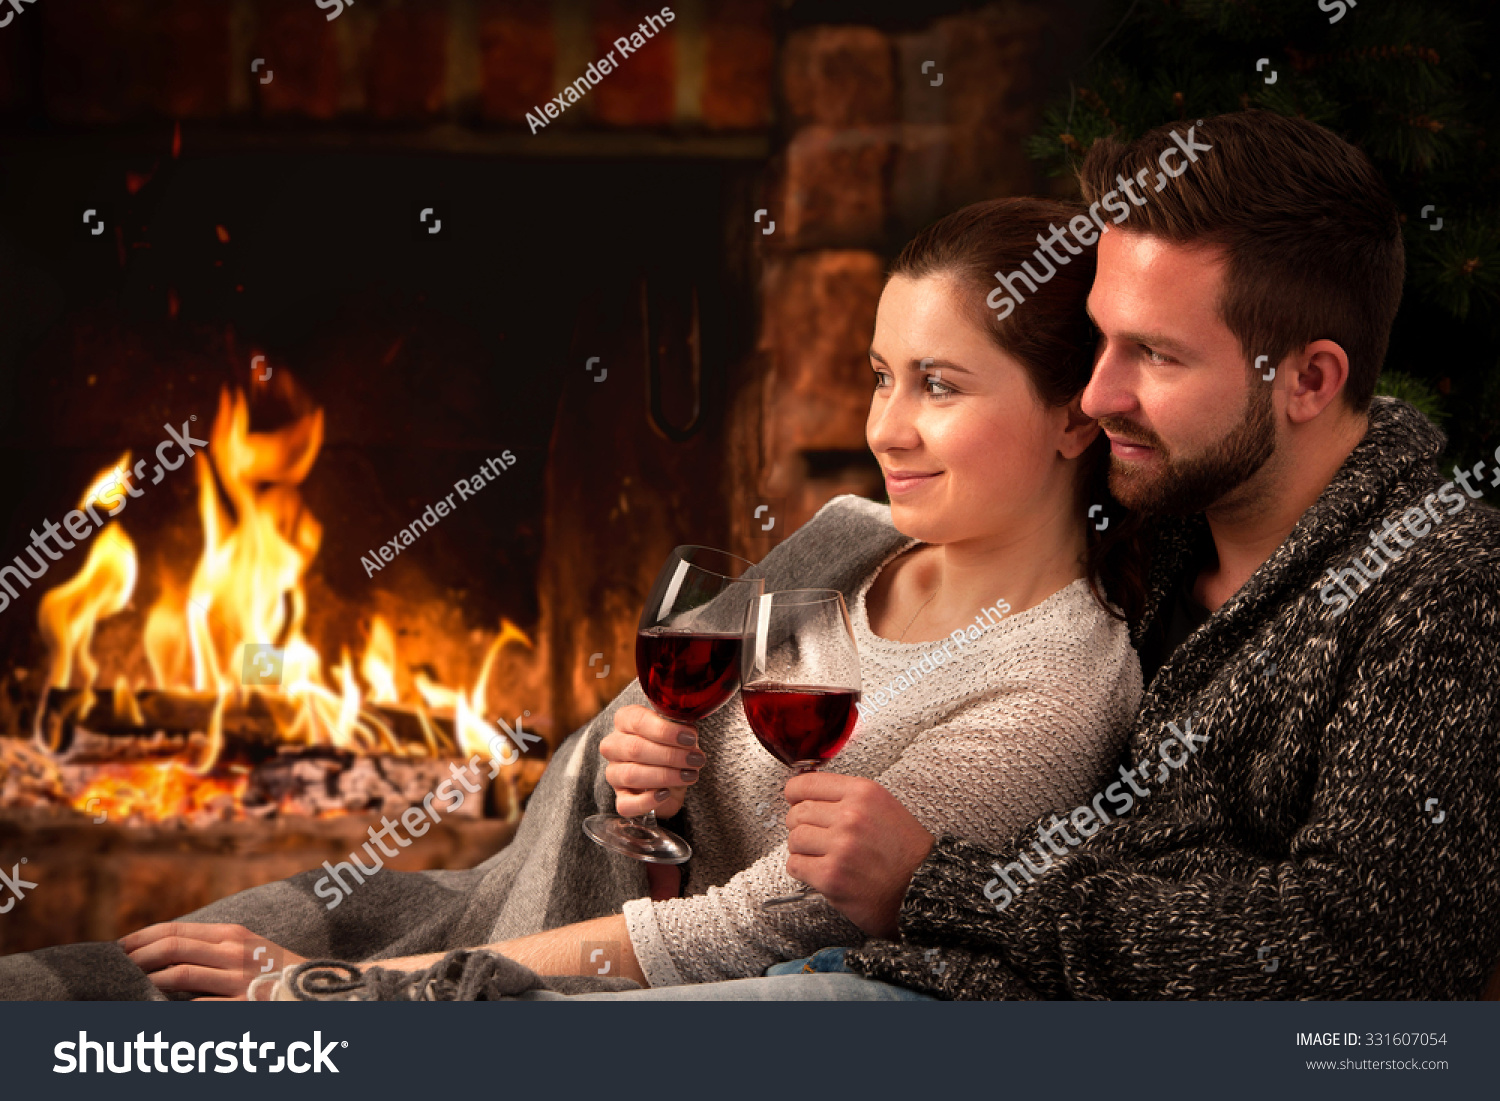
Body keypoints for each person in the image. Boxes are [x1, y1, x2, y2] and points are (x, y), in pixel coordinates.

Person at [465, 107, 1500, 1002]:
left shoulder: (1443, 591)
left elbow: (1357, 962)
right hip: (891, 985)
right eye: (1100, 341)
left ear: (1311, 380)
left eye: (1158, 355)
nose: (1097, 398)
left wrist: (938, 887)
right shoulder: (1164, 527)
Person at [2, 198, 1146, 1000]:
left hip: (565, 988)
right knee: (85, 994)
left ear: (1074, 416)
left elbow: (760, 934)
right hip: (514, 905)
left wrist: (347, 989)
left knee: (193, 1015)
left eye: (940, 387)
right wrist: (658, 790)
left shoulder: (1047, 689)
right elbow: (650, 816)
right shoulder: (849, 544)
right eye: (880, 376)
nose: (886, 428)